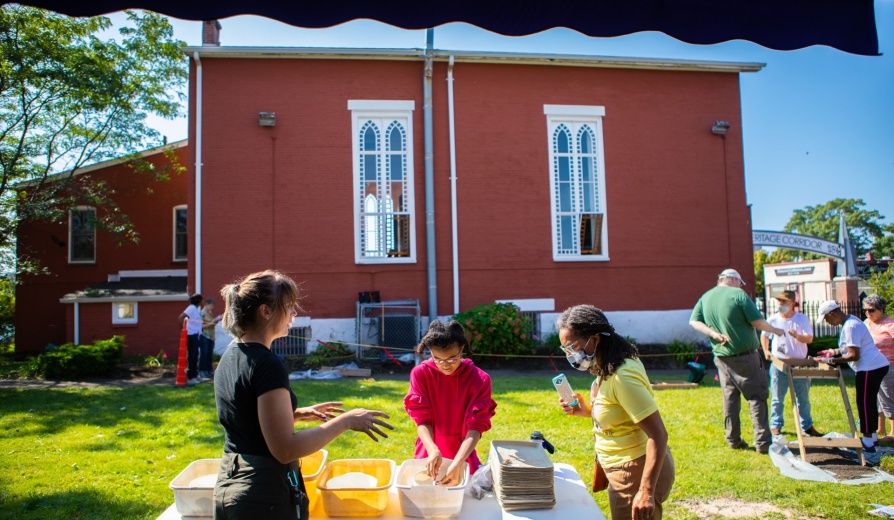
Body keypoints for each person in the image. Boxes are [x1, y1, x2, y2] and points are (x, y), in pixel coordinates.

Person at [213, 269, 394, 520]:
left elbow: (245, 417)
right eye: (289, 307)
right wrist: (346, 421)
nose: (294, 314)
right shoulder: (266, 363)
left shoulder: (231, 354)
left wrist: (295, 414)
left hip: (231, 487)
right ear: (266, 311)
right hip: (263, 498)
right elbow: (285, 450)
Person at [556, 305, 674, 520]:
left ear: (595, 339)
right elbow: (620, 413)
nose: (570, 354)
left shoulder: (622, 376)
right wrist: (587, 411)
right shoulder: (607, 364)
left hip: (635, 471)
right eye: (565, 349)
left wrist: (645, 491)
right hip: (624, 469)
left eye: (572, 346)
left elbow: (658, 434)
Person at [689, 268, 784, 454]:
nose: (741, 285)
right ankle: (763, 442)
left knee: (730, 399)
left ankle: (733, 439)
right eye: (740, 282)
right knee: (757, 397)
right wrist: (776, 331)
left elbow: (694, 321)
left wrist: (713, 334)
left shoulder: (706, 296)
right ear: (733, 280)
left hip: (722, 357)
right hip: (745, 356)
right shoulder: (738, 294)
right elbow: (757, 322)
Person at [403, 319, 496, 486]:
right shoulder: (420, 374)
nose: (445, 365)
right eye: (437, 359)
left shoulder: (480, 379)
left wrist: (458, 462)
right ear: (430, 351)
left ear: (462, 349)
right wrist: (433, 449)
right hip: (428, 454)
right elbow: (421, 420)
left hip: (463, 455)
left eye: (452, 359)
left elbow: (476, 426)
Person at [816, 300, 890, 453]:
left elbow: (854, 355)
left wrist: (830, 360)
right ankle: (872, 440)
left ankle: (868, 443)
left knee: (865, 403)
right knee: (868, 403)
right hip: (872, 366)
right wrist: (833, 352)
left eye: (827, 318)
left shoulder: (851, 326)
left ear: (833, 313)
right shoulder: (849, 322)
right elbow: (849, 347)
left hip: (870, 367)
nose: (828, 322)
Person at [760, 290, 823, 437]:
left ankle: (807, 426)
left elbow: (809, 339)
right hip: (779, 364)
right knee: (777, 398)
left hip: (799, 364)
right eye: (779, 301)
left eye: (784, 302)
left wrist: (797, 335)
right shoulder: (773, 319)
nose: (781, 304)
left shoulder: (801, 319)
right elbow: (765, 336)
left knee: (803, 398)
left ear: (792, 303)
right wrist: (766, 351)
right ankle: (775, 426)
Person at [863, 294, 894, 441]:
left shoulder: (890, 325)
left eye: (871, 310)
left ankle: (893, 433)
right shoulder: (866, 323)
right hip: (870, 367)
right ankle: (880, 428)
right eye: (866, 310)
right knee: (876, 398)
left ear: (881, 309)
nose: (868, 313)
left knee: (889, 398)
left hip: (888, 367)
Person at [178, 293, 204, 385]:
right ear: (199, 301)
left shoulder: (195, 309)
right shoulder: (192, 308)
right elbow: (181, 317)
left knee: (195, 355)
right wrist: (183, 330)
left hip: (195, 335)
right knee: (192, 356)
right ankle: (190, 377)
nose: (202, 302)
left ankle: (194, 375)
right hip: (191, 335)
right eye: (202, 300)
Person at [199, 298, 221, 380]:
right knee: (204, 354)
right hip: (205, 336)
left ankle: (209, 370)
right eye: (211, 305)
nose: (212, 307)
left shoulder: (210, 313)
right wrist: (213, 321)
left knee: (209, 355)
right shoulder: (202, 314)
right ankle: (202, 371)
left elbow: (212, 324)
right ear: (206, 304)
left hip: (211, 336)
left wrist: (216, 320)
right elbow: (201, 326)